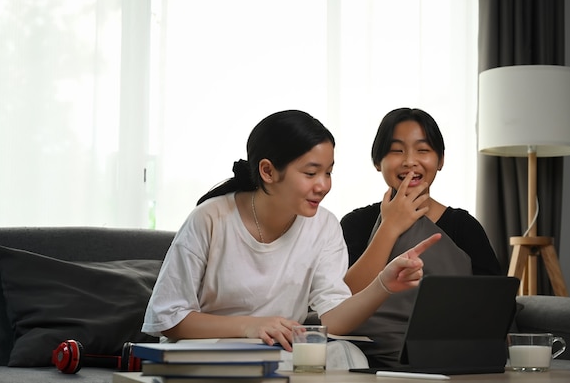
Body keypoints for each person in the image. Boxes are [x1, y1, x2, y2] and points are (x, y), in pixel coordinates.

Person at [142, 109, 440, 357]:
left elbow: (333, 319)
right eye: (310, 173)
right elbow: (169, 318)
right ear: (268, 171)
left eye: (328, 172)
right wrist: (250, 326)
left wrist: (383, 284)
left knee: (348, 354)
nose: (323, 185)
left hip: (275, 353)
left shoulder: (324, 226)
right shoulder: (209, 218)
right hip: (206, 352)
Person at [340, 107, 501, 368]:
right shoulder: (356, 223)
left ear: (440, 160)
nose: (409, 161)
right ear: (377, 161)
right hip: (367, 356)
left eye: (423, 150)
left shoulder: (464, 227)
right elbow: (343, 299)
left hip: (448, 357)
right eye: (396, 150)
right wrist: (390, 227)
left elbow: (494, 306)